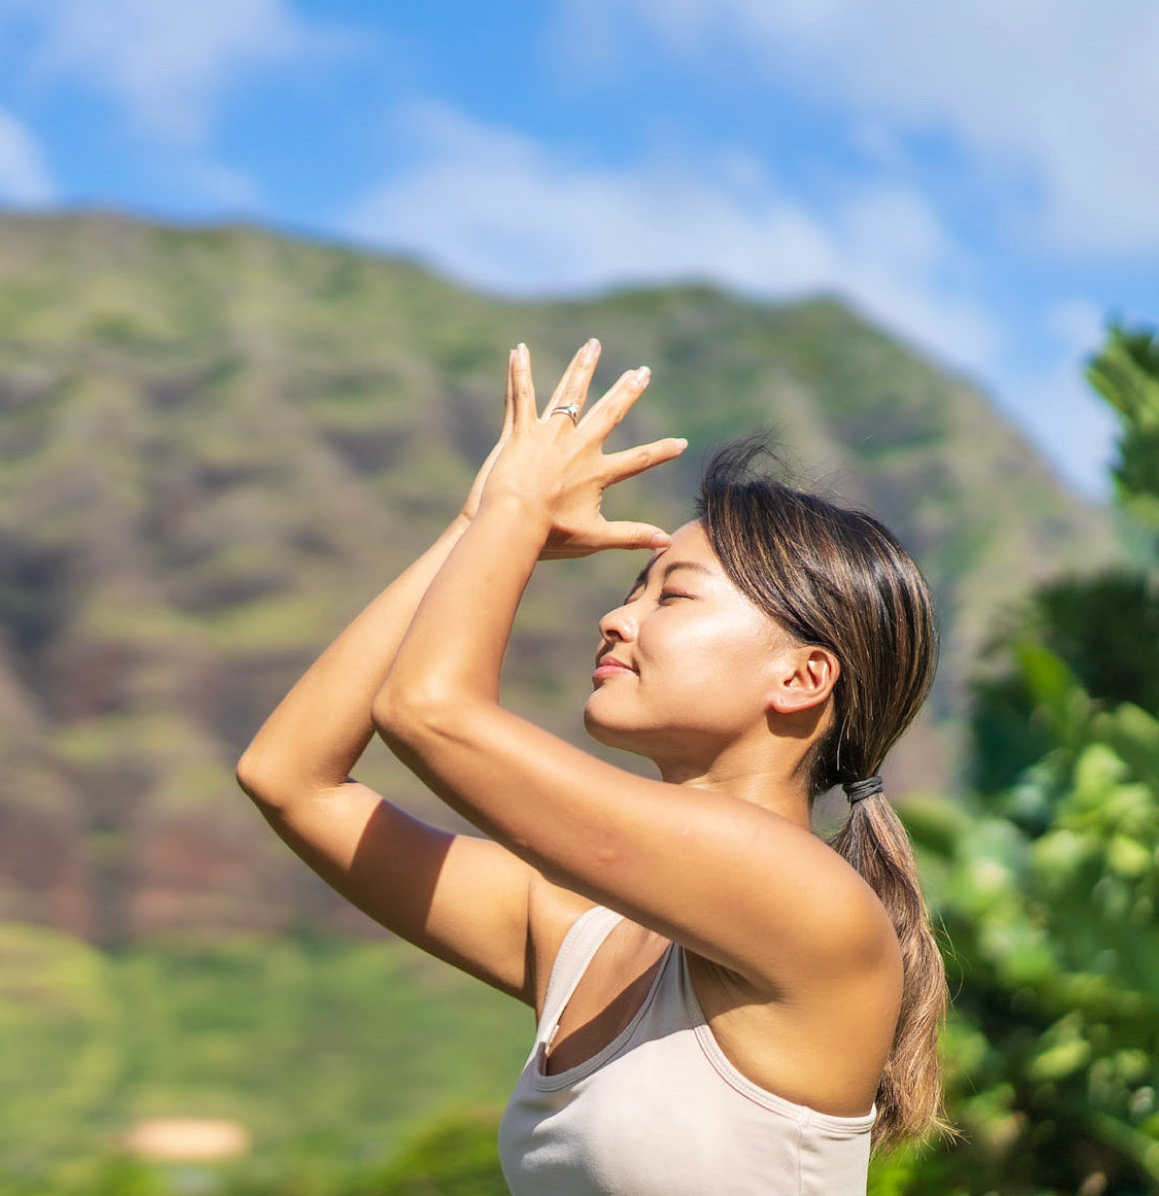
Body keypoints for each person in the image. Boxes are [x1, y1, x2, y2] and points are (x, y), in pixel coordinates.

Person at [236, 339, 949, 1195]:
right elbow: (291, 778)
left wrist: (514, 513)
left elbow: (429, 712)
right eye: (633, 589)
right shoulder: (580, 932)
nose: (617, 617)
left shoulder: (805, 896)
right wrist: (476, 525)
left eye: (672, 594)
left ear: (801, 679)